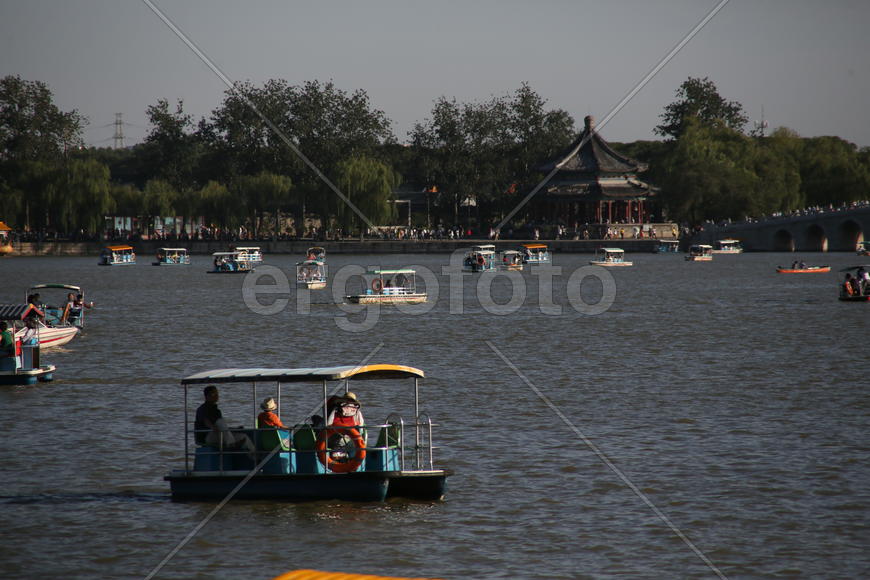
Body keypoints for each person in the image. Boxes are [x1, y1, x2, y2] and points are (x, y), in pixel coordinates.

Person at [194, 385, 255, 455]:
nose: (217, 395)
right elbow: (205, 420)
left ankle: (255, 459)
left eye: (217, 393)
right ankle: (231, 444)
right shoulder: (202, 409)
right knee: (221, 421)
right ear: (207, 396)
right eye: (213, 393)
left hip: (220, 435)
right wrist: (212, 427)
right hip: (207, 437)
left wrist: (234, 429)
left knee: (243, 437)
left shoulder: (216, 410)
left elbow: (223, 427)